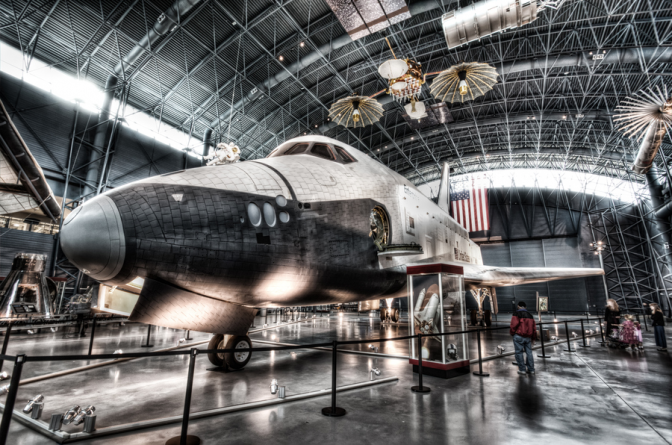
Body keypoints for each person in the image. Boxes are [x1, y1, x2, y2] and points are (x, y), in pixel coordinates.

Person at [510, 301, 538, 375]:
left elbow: (513, 325)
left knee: (519, 353)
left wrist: (512, 333)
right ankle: (531, 369)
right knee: (529, 353)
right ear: (525, 307)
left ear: (518, 306)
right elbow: (534, 328)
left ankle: (522, 370)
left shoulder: (516, 314)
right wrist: (533, 338)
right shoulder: (530, 315)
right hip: (528, 337)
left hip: (518, 336)